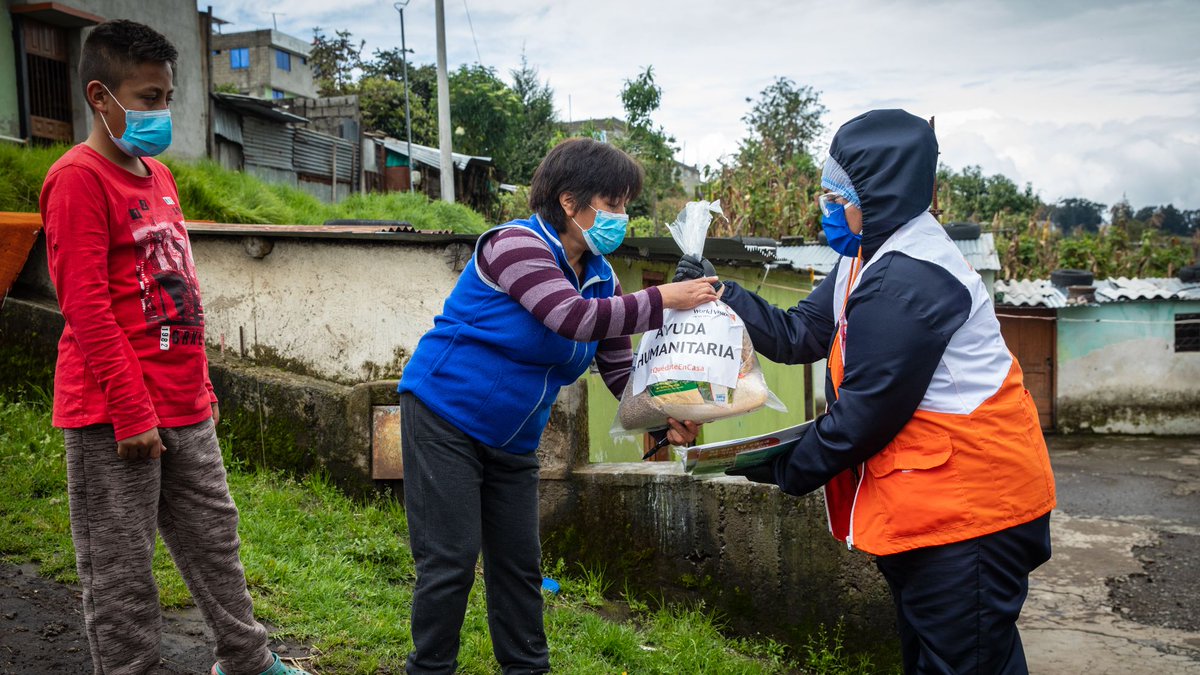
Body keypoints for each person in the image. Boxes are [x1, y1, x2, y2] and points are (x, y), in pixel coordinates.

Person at [676, 109, 1056, 674]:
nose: (826, 208)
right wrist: (721, 290)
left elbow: (864, 416)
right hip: (932, 508)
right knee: (943, 659)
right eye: (825, 194)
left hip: (973, 510)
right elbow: (800, 332)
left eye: (837, 196)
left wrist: (778, 465)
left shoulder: (913, 277)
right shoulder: (864, 257)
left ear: (880, 194)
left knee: (964, 663)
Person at [39, 20, 307, 675]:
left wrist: (203, 385)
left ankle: (245, 658)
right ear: (101, 97)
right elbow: (86, 304)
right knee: (121, 563)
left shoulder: (157, 175)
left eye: (167, 97)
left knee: (215, 535)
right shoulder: (77, 179)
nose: (162, 111)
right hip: (114, 412)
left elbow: (175, 285)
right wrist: (132, 407)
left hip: (184, 400)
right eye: (149, 97)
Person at [397, 137, 717, 674]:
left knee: (519, 568)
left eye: (625, 206)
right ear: (570, 202)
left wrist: (666, 415)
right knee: (450, 562)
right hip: (445, 416)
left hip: (513, 440)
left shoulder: (601, 275)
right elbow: (570, 318)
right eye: (612, 205)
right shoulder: (514, 246)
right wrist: (665, 299)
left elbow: (619, 371)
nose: (621, 217)